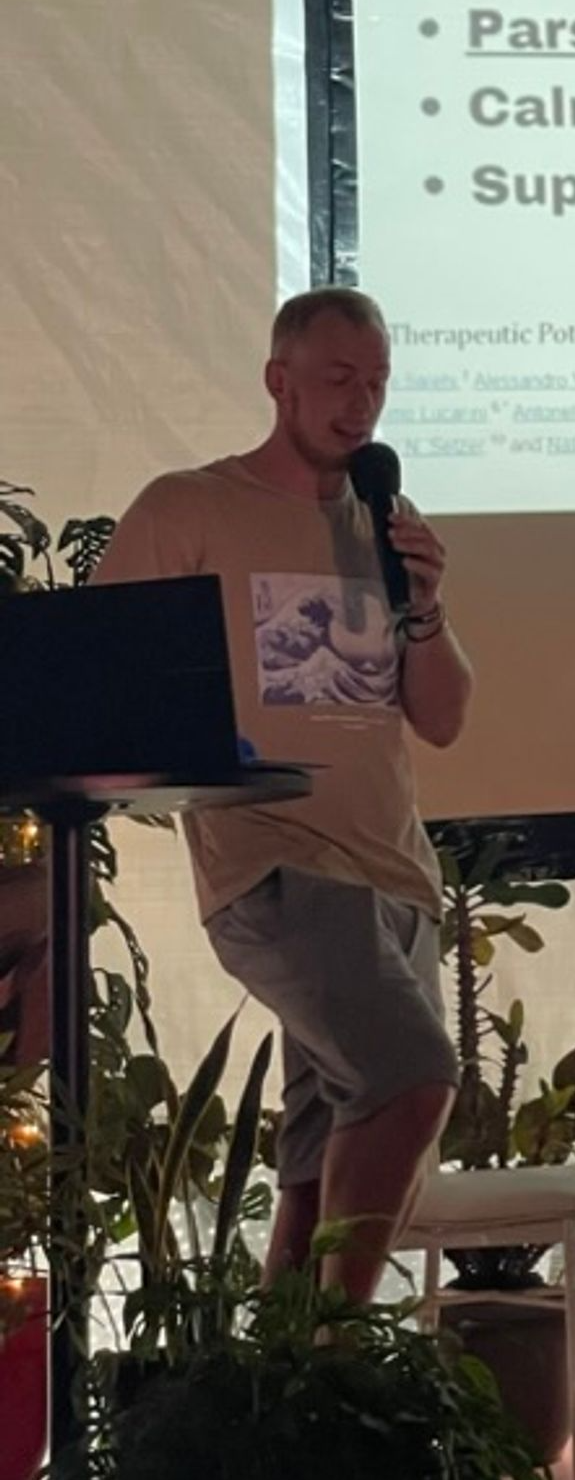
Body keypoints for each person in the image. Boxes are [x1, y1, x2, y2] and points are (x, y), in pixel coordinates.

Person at [96, 287, 473, 1300]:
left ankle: (283, 1371)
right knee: (412, 1079)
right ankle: (338, 1348)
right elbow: (97, 663)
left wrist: (426, 607)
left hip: (396, 877)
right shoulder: (190, 506)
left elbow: (441, 717)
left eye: (378, 381)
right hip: (275, 865)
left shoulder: (384, 527)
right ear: (279, 380)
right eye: (340, 377)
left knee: (312, 1177)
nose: (362, 403)